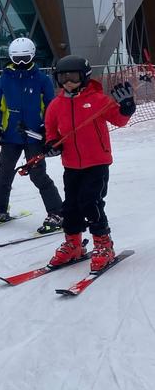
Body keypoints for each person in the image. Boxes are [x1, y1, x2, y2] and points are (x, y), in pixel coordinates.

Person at [43, 56, 135, 271]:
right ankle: (73, 244)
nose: (68, 82)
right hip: (71, 164)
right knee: (71, 205)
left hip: (97, 163)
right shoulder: (56, 105)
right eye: (63, 77)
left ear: (83, 77)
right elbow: (51, 130)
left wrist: (126, 108)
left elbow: (119, 120)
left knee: (90, 202)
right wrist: (52, 144)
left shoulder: (98, 100)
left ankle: (104, 244)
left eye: (73, 77)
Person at [0, 37, 63, 232]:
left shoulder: (42, 79)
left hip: (34, 136)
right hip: (11, 135)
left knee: (38, 175)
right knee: (4, 173)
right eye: (17, 59)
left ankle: (57, 212)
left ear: (33, 56)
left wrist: (47, 128)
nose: (21, 63)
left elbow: (52, 108)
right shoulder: (4, 79)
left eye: (25, 58)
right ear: (11, 57)